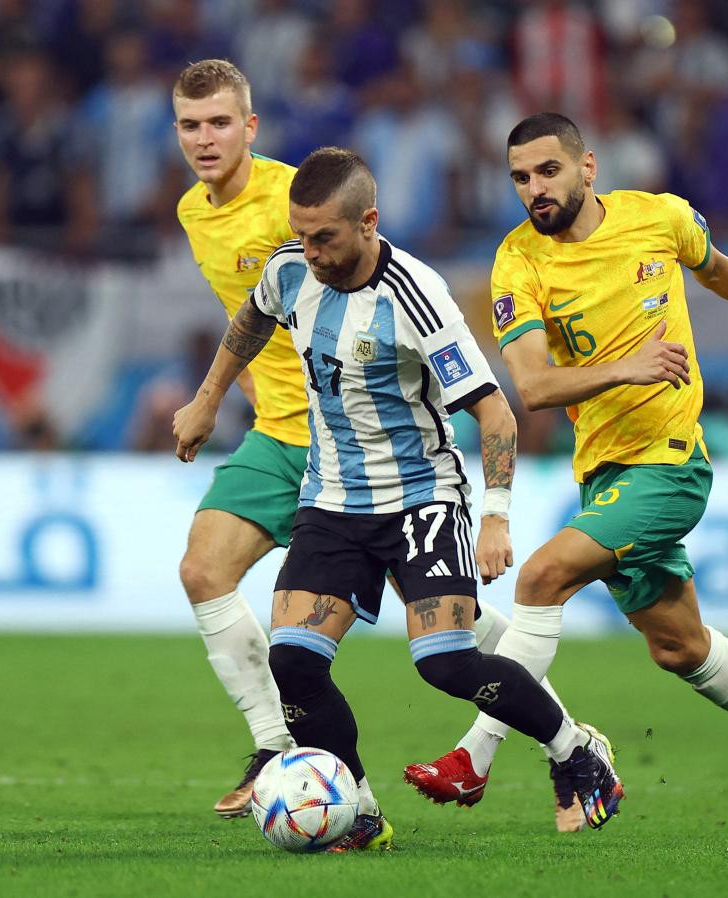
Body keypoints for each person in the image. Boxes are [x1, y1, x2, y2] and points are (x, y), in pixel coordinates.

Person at [171, 61, 589, 827]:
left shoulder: (398, 278)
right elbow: (254, 311)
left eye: (219, 122)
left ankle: (571, 746)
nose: (308, 251)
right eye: (191, 124)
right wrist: (209, 397)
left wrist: (496, 513)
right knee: (269, 635)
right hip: (317, 470)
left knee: (448, 657)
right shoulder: (271, 248)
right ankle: (344, 799)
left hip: (414, 486)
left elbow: (496, 411)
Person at [404, 113, 728, 840]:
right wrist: (630, 367)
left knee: (541, 578)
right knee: (679, 648)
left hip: (672, 465)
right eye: (520, 177)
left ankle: (473, 758)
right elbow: (535, 387)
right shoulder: (518, 262)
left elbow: (717, 266)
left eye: (548, 171)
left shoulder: (658, 218)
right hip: (602, 473)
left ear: (588, 167)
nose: (534, 189)